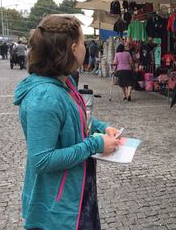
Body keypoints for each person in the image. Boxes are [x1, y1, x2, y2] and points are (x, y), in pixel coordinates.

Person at [13, 15, 122, 230]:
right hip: (57, 207)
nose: (85, 48)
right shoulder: (44, 97)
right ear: (73, 48)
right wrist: (95, 144)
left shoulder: (65, 82)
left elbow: (75, 118)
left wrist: (101, 128)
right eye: (82, 42)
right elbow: (42, 160)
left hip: (75, 192)